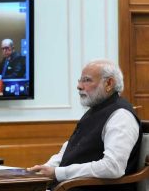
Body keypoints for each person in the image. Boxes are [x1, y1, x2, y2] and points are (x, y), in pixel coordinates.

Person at [27, 59, 143, 191]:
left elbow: (113, 167)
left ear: (109, 83)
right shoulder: (94, 110)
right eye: (80, 80)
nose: (79, 86)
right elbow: (69, 150)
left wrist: (57, 173)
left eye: (86, 80)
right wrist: (43, 170)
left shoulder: (121, 115)